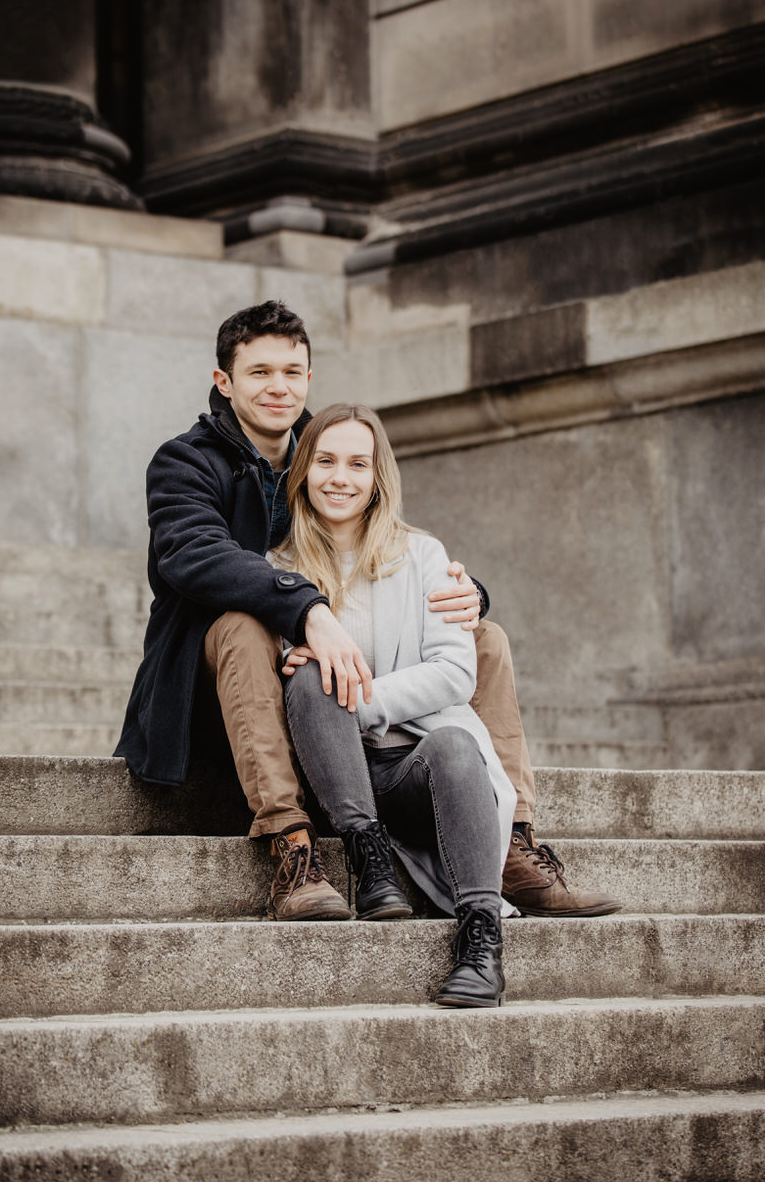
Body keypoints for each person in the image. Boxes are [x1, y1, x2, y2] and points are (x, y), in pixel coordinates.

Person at [115, 299, 619, 922]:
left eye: (293, 372)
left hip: (334, 691)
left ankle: (511, 842)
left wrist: (464, 591)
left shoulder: (323, 453)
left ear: (309, 379)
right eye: (260, 372)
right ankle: (292, 849)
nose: (279, 387)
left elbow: (388, 546)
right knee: (243, 626)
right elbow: (196, 555)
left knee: (481, 638)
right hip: (224, 691)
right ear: (224, 381)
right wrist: (308, 612)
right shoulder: (185, 462)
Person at [275, 403, 520, 1005]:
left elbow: (456, 674)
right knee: (310, 679)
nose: (340, 477)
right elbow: (291, 685)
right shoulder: (277, 567)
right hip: (334, 777)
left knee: (455, 742)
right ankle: (371, 862)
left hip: (414, 767)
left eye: (358, 464)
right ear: (303, 470)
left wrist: (348, 704)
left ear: (378, 476)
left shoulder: (425, 558)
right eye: (326, 461)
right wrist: (322, 698)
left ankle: (480, 943)